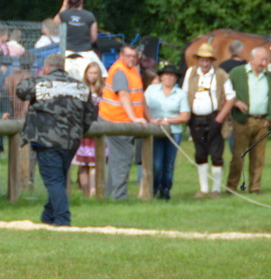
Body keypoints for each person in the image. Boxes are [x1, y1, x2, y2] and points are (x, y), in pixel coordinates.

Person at [16, 52, 93, 226]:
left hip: (46, 139)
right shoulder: (80, 87)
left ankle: (62, 219)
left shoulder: (41, 83)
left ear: (47, 67)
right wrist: (79, 132)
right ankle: (48, 216)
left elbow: (20, 90)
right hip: (71, 141)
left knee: (54, 180)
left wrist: (38, 77)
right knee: (58, 178)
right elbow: (90, 116)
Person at [181, 42, 232, 197]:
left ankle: (216, 189)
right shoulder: (191, 73)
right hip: (196, 119)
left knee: (216, 154)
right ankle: (204, 189)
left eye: (207, 60)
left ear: (211, 61)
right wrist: (187, 117)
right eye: (202, 60)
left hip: (214, 118)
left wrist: (219, 120)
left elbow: (230, 99)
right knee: (200, 153)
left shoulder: (221, 75)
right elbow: (184, 94)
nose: (204, 63)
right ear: (198, 60)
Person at [98, 42, 146, 200]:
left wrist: (150, 118)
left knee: (117, 160)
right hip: (116, 121)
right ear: (120, 56)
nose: (132, 59)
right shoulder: (120, 71)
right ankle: (119, 196)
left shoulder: (132, 70)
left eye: (134, 56)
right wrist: (134, 118)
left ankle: (110, 195)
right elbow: (124, 95)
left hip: (123, 121)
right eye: (128, 56)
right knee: (123, 159)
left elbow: (139, 96)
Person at [226, 46, 271, 193]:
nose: (263, 63)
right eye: (261, 60)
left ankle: (255, 187)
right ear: (252, 59)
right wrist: (234, 102)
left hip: (262, 121)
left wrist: (269, 116)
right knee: (238, 156)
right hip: (242, 120)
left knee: (258, 157)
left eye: (266, 60)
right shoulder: (237, 73)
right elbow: (225, 92)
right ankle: (231, 186)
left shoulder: (268, 76)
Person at [142, 64, 187, 200]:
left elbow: (185, 116)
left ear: (176, 79)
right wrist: (151, 119)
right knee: (156, 163)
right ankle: (154, 188)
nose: (168, 78)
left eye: (172, 76)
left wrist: (168, 120)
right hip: (155, 130)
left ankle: (166, 189)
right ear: (161, 77)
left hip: (173, 131)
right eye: (166, 75)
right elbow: (143, 105)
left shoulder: (180, 93)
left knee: (169, 164)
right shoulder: (151, 90)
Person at [73, 62, 103, 197]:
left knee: (95, 163)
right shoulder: (80, 89)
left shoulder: (102, 90)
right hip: (83, 131)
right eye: (90, 73)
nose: (93, 76)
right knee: (83, 164)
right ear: (86, 74)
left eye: (95, 73)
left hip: (98, 128)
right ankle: (85, 191)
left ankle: (93, 191)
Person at [58, 0, 100, 81]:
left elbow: (52, 26)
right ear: (81, 2)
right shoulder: (90, 16)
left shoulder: (63, 14)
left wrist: (64, 7)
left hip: (66, 51)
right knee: (101, 74)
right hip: (86, 52)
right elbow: (94, 37)